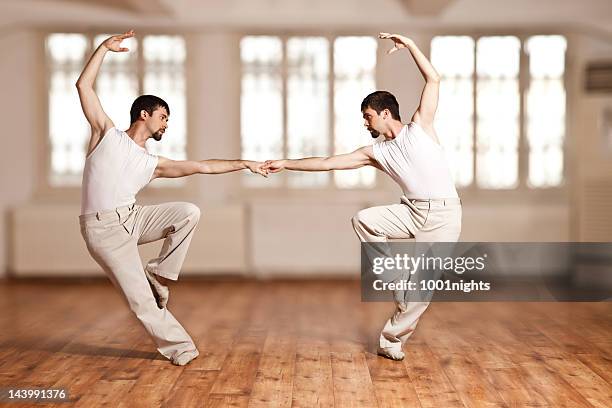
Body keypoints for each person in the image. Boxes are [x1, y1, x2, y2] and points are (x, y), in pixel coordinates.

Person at [262, 32, 461, 361]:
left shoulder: (419, 128)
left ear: (385, 114)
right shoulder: (375, 152)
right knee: (364, 219)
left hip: (445, 217)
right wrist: (287, 164)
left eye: (368, 116)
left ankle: (390, 340)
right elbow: (327, 163)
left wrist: (410, 45)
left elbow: (434, 78)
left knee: (420, 294)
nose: (365, 123)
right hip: (411, 211)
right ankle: (396, 279)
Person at [76, 30, 267, 366]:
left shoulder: (154, 164)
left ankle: (160, 274)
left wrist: (245, 164)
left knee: (187, 211)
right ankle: (182, 349)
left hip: (131, 218)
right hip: (104, 231)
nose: (167, 124)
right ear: (144, 114)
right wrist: (103, 48)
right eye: (164, 117)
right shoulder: (106, 134)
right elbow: (83, 86)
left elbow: (203, 167)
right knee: (142, 302)